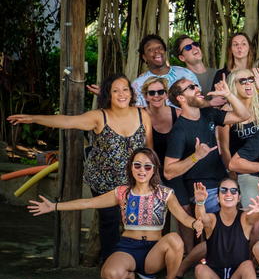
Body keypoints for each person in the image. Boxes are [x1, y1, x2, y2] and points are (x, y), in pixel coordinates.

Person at [9, 74, 152, 262]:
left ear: (131, 93)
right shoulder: (99, 116)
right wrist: (34, 118)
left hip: (133, 180)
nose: (122, 94)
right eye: (115, 91)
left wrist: (149, 179)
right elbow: (67, 121)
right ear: (108, 94)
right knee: (109, 221)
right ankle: (110, 263)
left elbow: (150, 151)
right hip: (103, 180)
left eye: (125, 89)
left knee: (135, 221)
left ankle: (137, 262)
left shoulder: (142, 114)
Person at [27, 148, 202, 279]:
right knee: (109, 276)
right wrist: (54, 206)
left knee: (175, 239)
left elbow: (184, 217)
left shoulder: (165, 193)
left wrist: (196, 222)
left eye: (148, 166)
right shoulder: (122, 192)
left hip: (154, 252)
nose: (142, 170)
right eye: (137, 165)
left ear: (154, 169)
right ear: (131, 167)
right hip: (128, 247)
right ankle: (129, 277)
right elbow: (88, 203)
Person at [163, 76, 250, 251]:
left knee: (244, 216)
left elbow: (244, 115)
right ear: (181, 98)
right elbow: (168, 172)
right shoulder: (179, 131)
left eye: (196, 85)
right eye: (191, 87)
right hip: (202, 188)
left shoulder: (208, 114)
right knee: (220, 225)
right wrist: (196, 156)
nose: (197, 89)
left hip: (222, 180)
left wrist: (229, 94)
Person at [192, 179, 259, 279]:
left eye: (233, 191)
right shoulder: (212, 218)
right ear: (217, 197)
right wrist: (200, 202)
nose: (228, 194)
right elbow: (202, 218)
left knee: (248, 265)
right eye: (224, 190)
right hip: (214, 278)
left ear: (239, 197)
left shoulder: (244, 218)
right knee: (200, 268)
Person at [218, 68, 259, 192]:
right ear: (233, 85)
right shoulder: (226, 111)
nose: (248, 83)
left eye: (251, 79)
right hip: (241, 170)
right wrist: (231, 173)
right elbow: (224, 148)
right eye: (242, 81)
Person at [142, 76, 185, 208]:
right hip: (149, 171)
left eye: (161, 92)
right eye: (152, 93)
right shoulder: (139, 114)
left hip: (175, 170)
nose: (156, 96)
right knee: (156, 211)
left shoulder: (179, 114)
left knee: (183, 208)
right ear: (146, 96)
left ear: (166, 94)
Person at [131, 34, 199, 106]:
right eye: (150, 49)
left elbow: (199, 100)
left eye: (160, 47)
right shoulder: (138, 84)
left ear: (165, 51)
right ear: (144, 57)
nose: (156, 51)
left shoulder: (186, 73)